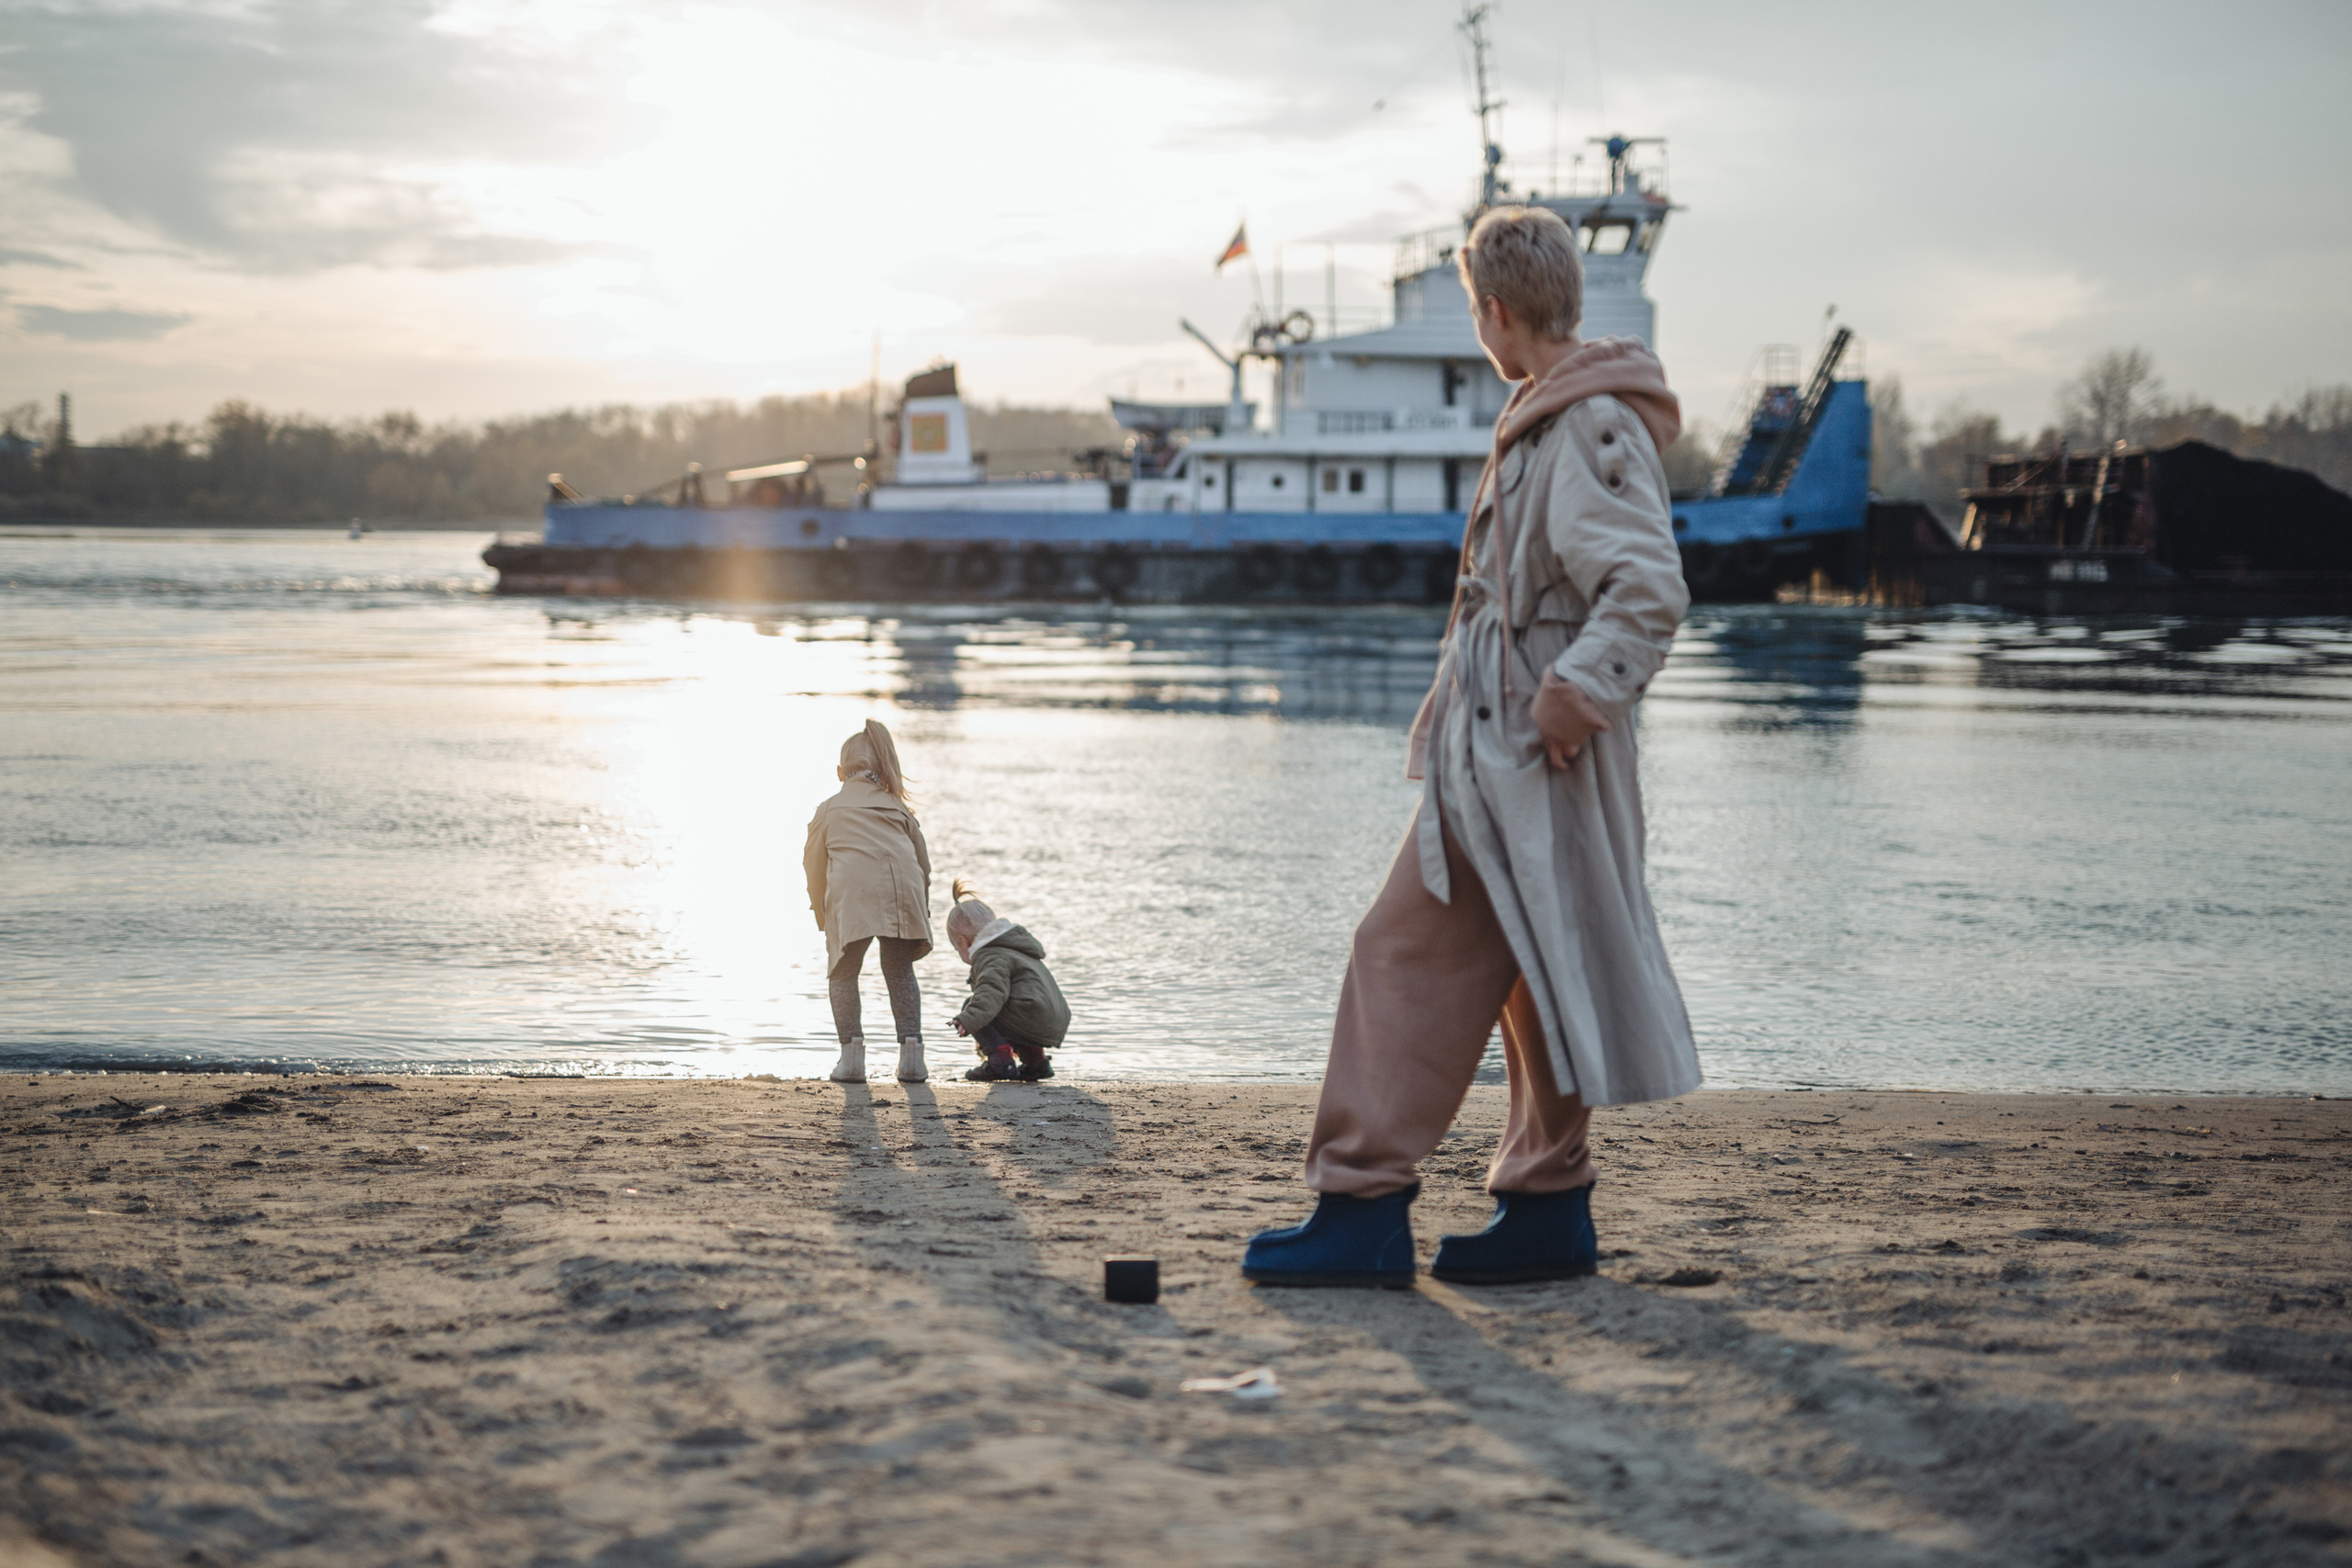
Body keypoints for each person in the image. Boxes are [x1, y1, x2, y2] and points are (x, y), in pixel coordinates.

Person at [1242, 205, 1701, 1289]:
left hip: (1522, 751)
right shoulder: (1558, 413)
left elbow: (1647, 590)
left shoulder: (1585, 426)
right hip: (1506, 744)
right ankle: (1548, 1209)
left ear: (1493, 311)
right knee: (1532, 974)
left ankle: (1361, 1206)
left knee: (1398, 950)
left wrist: (1566, 702)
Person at [805, 719, 933, 1084]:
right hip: (901, 891)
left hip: (854, 895)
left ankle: (852, 1058)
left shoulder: (828, 809)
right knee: (899, 971)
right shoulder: (899, 809)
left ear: (840, 771)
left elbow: (813, 867)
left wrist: (824, 914)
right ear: (881, 768)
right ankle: (912, 1059)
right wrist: (920, 910)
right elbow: (922, 866)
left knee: (843, 973)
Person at [943, 878, 1069, 1084]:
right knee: (1009, 1005)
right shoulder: (1017, 948)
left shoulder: (991, 956)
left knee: (974, 1005)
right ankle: (1036, 1062)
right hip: (1051, 1019)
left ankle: (1000, 1062)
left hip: (1031, 1017)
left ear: (962, 942)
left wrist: (968, 1018)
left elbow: (992, 991)